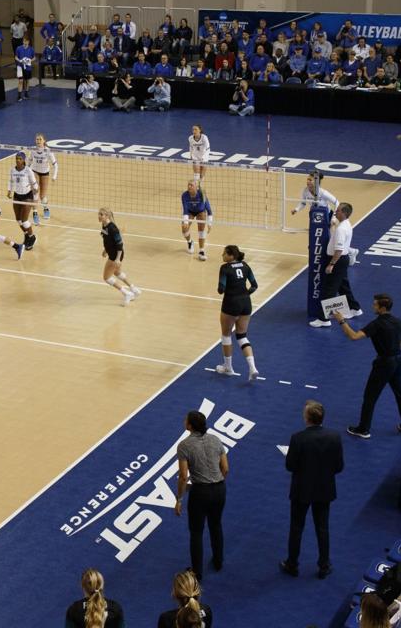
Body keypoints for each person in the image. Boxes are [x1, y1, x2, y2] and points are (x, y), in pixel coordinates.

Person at [334, 293, 401, 439]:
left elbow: (354, 336)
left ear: (382, 308)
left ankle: (363, 429)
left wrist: (342, 321)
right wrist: (393, 351)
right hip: (398, 360)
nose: (373, 306)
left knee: (370, 396)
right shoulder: (398, 321)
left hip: (383, 363)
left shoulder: (376, 324)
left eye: (375, 304)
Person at [280, 400, 344, 579]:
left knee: (296, 528)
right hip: (324, 490)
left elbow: (290, 466)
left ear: (307, 418)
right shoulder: (334, 437)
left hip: (302, 490)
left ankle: (292, 564)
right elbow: (339, 467)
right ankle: (324, 565)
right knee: (322, 528)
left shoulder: (298, 438)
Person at [175, 409, 228, 581]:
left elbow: (183, 476)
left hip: (200, 493)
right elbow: (225, 468)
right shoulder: (215, 439)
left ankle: (197, 573)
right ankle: (219, 561)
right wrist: (216, 480)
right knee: (216, 525)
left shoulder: (184, 446)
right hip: (219, 490)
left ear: (190, 425)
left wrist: (179, 499)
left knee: (196, 532)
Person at [310, 203, 363, 327]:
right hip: (342, 260)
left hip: (337, 260)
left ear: (344, 213)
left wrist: (331, 264)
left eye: (338, 211)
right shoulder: (345, 225)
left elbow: (338, 250)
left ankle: (323, 319)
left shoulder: (341, 229)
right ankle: (354, 308)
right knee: (343, 286)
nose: (335, 212)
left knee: (329, 289)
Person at [215, 245, 259, 380]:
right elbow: (254, 285)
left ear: (231, 256)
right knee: (242, 336)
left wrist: (223, 287)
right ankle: (252, 367)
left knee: (226, 335)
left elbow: (221, 289)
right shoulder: (245, 266)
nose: (222, 256)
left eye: (224, 254)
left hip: (231, 304)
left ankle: (228, 367)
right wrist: (245, 293)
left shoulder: (225, 268)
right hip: (246, 303)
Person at [97, 207, 141, 306]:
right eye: (99, 214)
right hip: (113, 253)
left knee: (106, 278)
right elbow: (107, 240)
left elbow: (120, 244)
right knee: (117, 272)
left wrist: (117, 259)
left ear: (107, 216)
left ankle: (127, 293)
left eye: (101, 215)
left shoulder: (112, 228)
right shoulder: (104, 225)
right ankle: (134, 289)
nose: (99, 216)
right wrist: (105, 250)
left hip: (116, 255)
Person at [6, 152, 38, 251]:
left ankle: (32, 236)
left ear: (24, 160)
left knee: (24, 220)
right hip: (17, 195)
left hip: (27, 196)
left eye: (20, 159)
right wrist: (9, 190)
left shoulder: (28, 170)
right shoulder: (12, 170)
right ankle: (26, 235)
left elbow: (34, 184)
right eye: (16, 158)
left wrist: (35, 199)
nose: (18, 160)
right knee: (18, 219)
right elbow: (11, 181)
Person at [29, 133, 58, 225]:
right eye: (37, 139)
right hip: (35, 172)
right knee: (35, 193)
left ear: (44, 141)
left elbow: (56, 165)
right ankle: (35, 213)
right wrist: (27, 174)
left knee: (42, 196)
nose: (38, 141)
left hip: (45, 173)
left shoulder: (48, 151)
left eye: (40, 139)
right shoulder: (33, 150)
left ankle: (46, 208)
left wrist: (54, 176)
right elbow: (28, 163)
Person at [181, 179, 213, 261]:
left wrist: (209, 223)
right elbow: (185, 209)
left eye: (191, 185)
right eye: (188, 185)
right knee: (184, 229)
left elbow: (209, 210)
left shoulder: (202, 194)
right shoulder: (184, 195)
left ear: (196, 187)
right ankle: (190, 242)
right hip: (190, 212)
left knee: (201, 230)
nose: (189, 186)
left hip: (200, 212)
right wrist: (185, 222)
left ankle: (201, 251)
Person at [14, 36, 35, 101]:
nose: (25, 42)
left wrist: (29, 60)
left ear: (29, 42)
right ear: (23, 41)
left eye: (26, 41)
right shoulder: (18, 48)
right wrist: (20, 60)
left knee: (26, 81)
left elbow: (34, 57)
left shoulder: (31, 49)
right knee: (20, 81)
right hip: (20, 66)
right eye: (24, 41)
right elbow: (16, 57)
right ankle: (19, 95)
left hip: (28, 67)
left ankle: (26, 93)